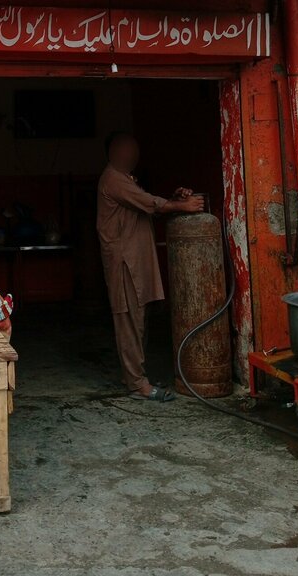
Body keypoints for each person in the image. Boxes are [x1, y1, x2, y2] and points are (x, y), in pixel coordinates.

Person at [97, 131, 204, 402]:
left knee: (139, 319)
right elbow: (149, 203)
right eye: (125, 149)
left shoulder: (127, 180)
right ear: (112, 153)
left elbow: (146, 203)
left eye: (134, 150)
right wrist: (180, 205)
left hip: (136, 262)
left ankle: (135, 376)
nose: (131, 155)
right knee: (129, 322)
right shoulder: (113, 178)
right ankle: (137, 384)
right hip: (124, 264)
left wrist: (174, 199)